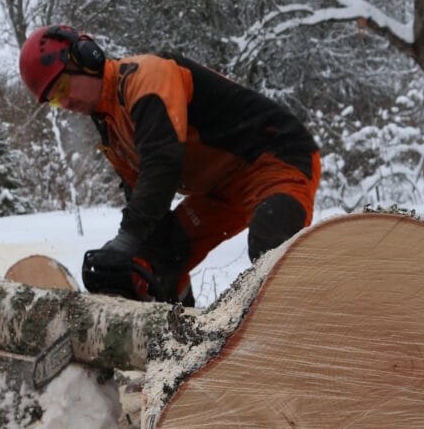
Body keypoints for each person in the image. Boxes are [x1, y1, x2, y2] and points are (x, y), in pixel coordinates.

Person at [18, 25, 320, 305]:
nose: (66, 102)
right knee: (154, 258)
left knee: (273, 248)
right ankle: (180, 342)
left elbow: (162, 163)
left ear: (86, 57)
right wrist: (133, 250)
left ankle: (325, 337)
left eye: (63, 87)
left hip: (274, 159)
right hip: (219, 190)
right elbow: (144, 202)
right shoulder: (111, 131)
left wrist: (127, 238)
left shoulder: (146, 78)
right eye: (55, 101)